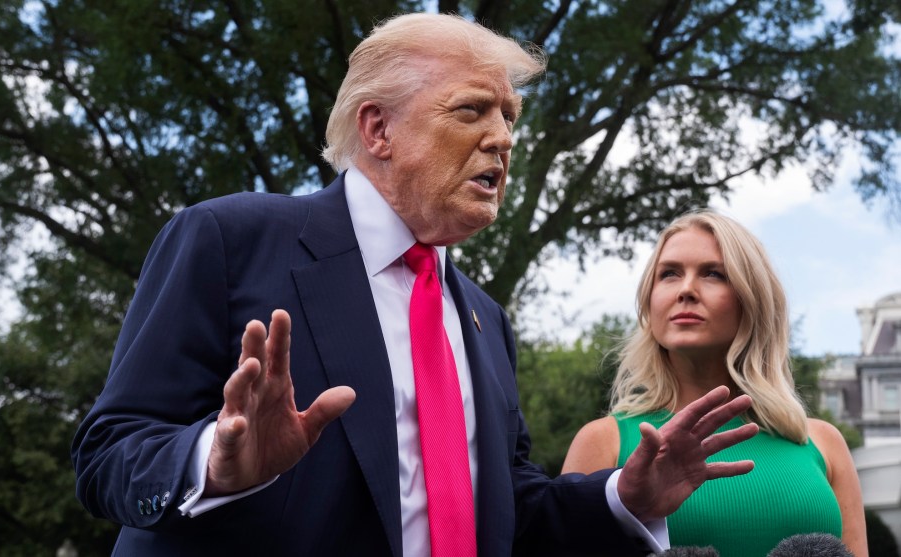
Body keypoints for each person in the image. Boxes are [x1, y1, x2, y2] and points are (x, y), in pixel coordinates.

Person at [72, 14, 759, 557]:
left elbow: (507, 516)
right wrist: (212, 462)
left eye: (509, 117)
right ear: (378, 128)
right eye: (471, 112)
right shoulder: (230, 240)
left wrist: (622, 498)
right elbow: (108, 454)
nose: (502, 139)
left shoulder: (485, 320)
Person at [563, 210, 868, 557]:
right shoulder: (602, 442)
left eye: (713, 274)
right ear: (650, 301)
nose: (686, 290)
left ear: (752, 301)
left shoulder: (822, 443)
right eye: (669, 274)